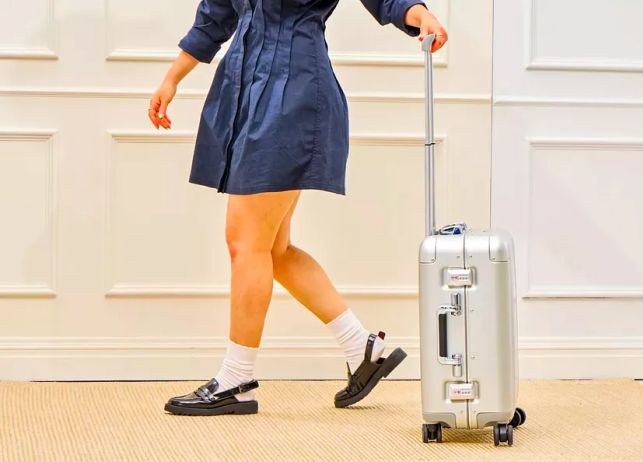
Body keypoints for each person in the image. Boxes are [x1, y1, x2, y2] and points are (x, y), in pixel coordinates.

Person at [148, 0, 448, 416]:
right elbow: (215, 17)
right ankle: (362, 346)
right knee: (274, 250)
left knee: (244, 243)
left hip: (293, 95)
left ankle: (236, 377)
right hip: (245, 89)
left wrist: (419, 16)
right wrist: (171, 80)